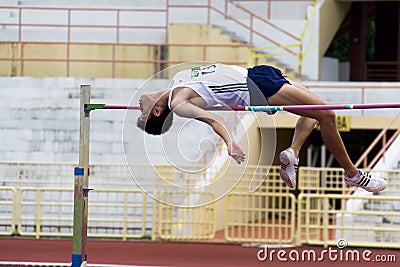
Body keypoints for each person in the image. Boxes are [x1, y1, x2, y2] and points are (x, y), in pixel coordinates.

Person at [137, 63, 387, 193]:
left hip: (258, 73)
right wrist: (230, 143)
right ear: (157, 112)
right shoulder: (179, 103)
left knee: (315, 113)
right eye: (143, 113)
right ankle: (353, 175)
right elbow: (215, 120)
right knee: (328, 115)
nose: (139, 107)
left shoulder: (175, 82)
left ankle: (293, 153)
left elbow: (209, 76)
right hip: (255, 88)